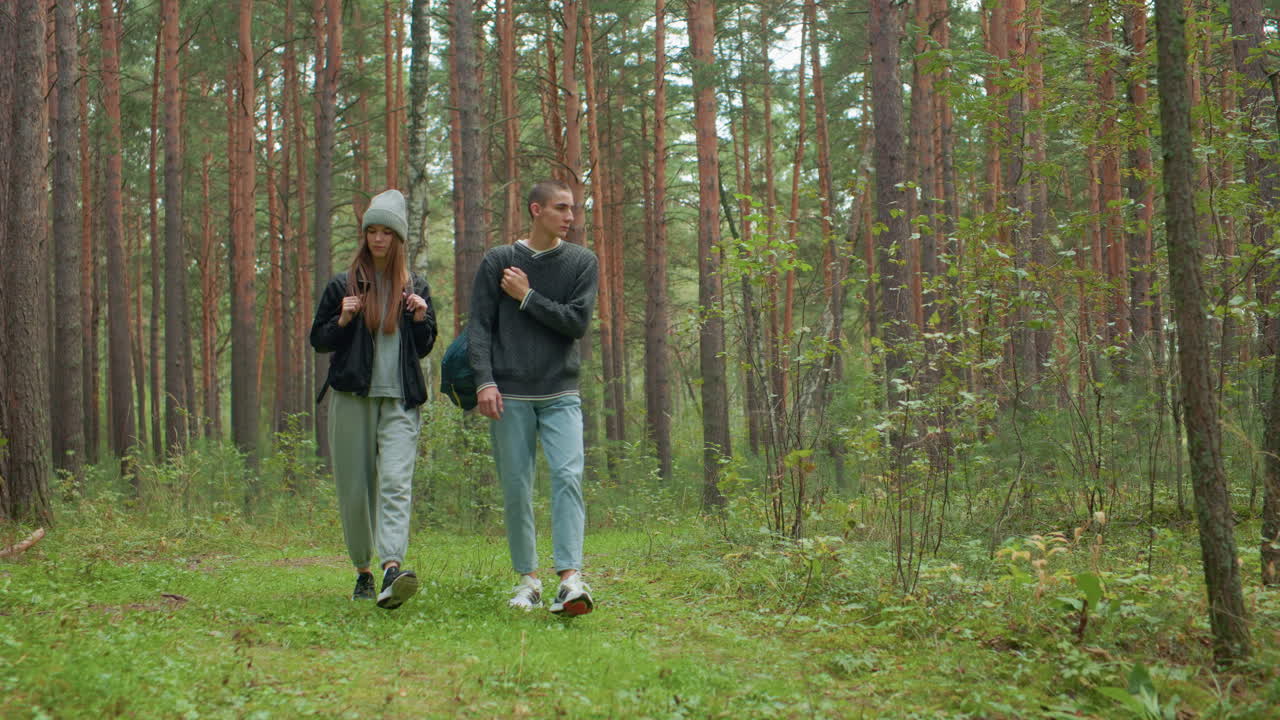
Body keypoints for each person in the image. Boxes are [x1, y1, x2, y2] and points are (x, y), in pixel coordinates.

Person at [468, 179, 599, 615]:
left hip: (561, 390)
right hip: (509, 393)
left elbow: (575, 323)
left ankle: (570, 580)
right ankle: (528, 581)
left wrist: (527, 297)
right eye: (562, 208)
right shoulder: (499, 261)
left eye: (573, 209)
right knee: (516, 487)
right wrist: (484, 381)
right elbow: (480, 327)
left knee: (568, 477)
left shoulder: (582, 262)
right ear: (536, 209)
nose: (570, 217)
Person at [309, 188, 437, 610]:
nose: (378, 239)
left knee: (397, 483)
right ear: (364, 235)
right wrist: (343, 319)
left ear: (398, 239)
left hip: (400, 400)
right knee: (356, 488)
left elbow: (422, 348)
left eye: (386, 232)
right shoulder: (341, 285)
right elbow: (319, 341)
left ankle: (391, 569)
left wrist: (419, 318)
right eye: (372, 231)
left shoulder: (415, 286)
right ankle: (363, 569)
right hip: (352, 398)